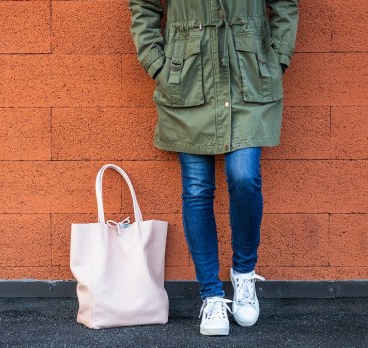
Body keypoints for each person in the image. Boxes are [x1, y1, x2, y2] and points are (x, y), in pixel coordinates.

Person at [128, 0, 299, 336]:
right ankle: (211, 295)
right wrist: (156, 64)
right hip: (187, 76)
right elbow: (143, 8)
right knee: (196, 188)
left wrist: (279, 56)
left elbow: (285, 5)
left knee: (245, 176)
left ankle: (244, 274)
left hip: (249, 73)